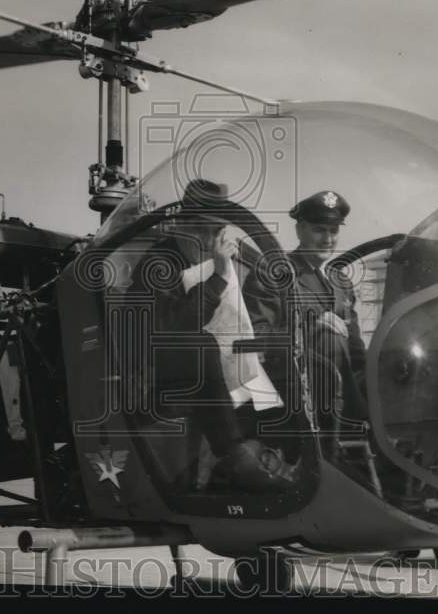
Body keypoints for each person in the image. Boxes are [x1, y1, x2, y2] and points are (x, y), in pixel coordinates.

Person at [127, 179, 297, 493]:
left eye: (215, 231)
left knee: (281, 349)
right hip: (156, 373)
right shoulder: (158, 264)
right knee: (201, 343)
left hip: (210, 370)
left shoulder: (228, 259)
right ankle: (232, 453)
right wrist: (218, 278)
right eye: (202, 231)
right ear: (179, 225)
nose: (208, 240)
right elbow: (172, 331)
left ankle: (288, 452)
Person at [285, 191, 368, 448]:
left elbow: (356, 351)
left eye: (333, 231)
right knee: (329, 341)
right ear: (300, 230)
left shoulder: (340, 281)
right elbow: (258, 332)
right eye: (319, 230)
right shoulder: (276, 273)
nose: (328, 239)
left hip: (343, 389)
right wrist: (311, 328)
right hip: (298, 393)